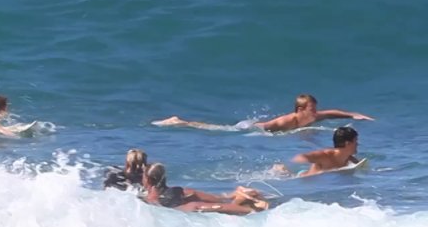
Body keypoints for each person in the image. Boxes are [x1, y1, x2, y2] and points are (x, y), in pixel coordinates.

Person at [153, 94, 374, 133]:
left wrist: (354, 115)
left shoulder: (315, 116)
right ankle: (180, 122)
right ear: (300, 109)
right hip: (253, 127)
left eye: (315, 107)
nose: (315, 110)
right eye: (311, 107)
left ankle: (182, 121)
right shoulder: (288, 119)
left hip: (261, 126)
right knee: (220, 129)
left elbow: (333, 113)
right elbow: (268, 128)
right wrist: (256, 132)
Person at [140, 163, 268, 215]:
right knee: (217, 202)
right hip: (182, 202)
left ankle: (246, 207)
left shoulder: (145, 199)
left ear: (147, 179)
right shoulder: (179, 191)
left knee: (197, 206)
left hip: (177, 210)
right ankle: (242, 202)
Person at [274, 126, 361, 177]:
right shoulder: (325, 155)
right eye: (356, 141)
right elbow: (302, 157)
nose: (358, 144)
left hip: (320, 184)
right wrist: (294, 162)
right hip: (303, 178)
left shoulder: (350, 159)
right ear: (347, 143)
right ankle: (282, 169)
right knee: (286, 174)